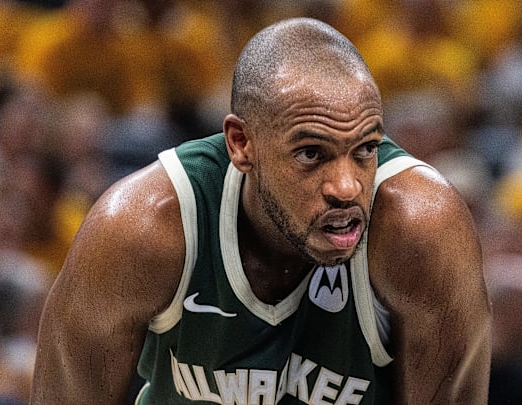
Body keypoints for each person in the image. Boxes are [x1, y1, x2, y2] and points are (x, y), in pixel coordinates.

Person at [30, 17, 492, 404]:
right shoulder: (142, 228)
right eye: (312, 153)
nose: (347, 187)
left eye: (365, 149)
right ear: (241, 144)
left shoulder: (421, 230)